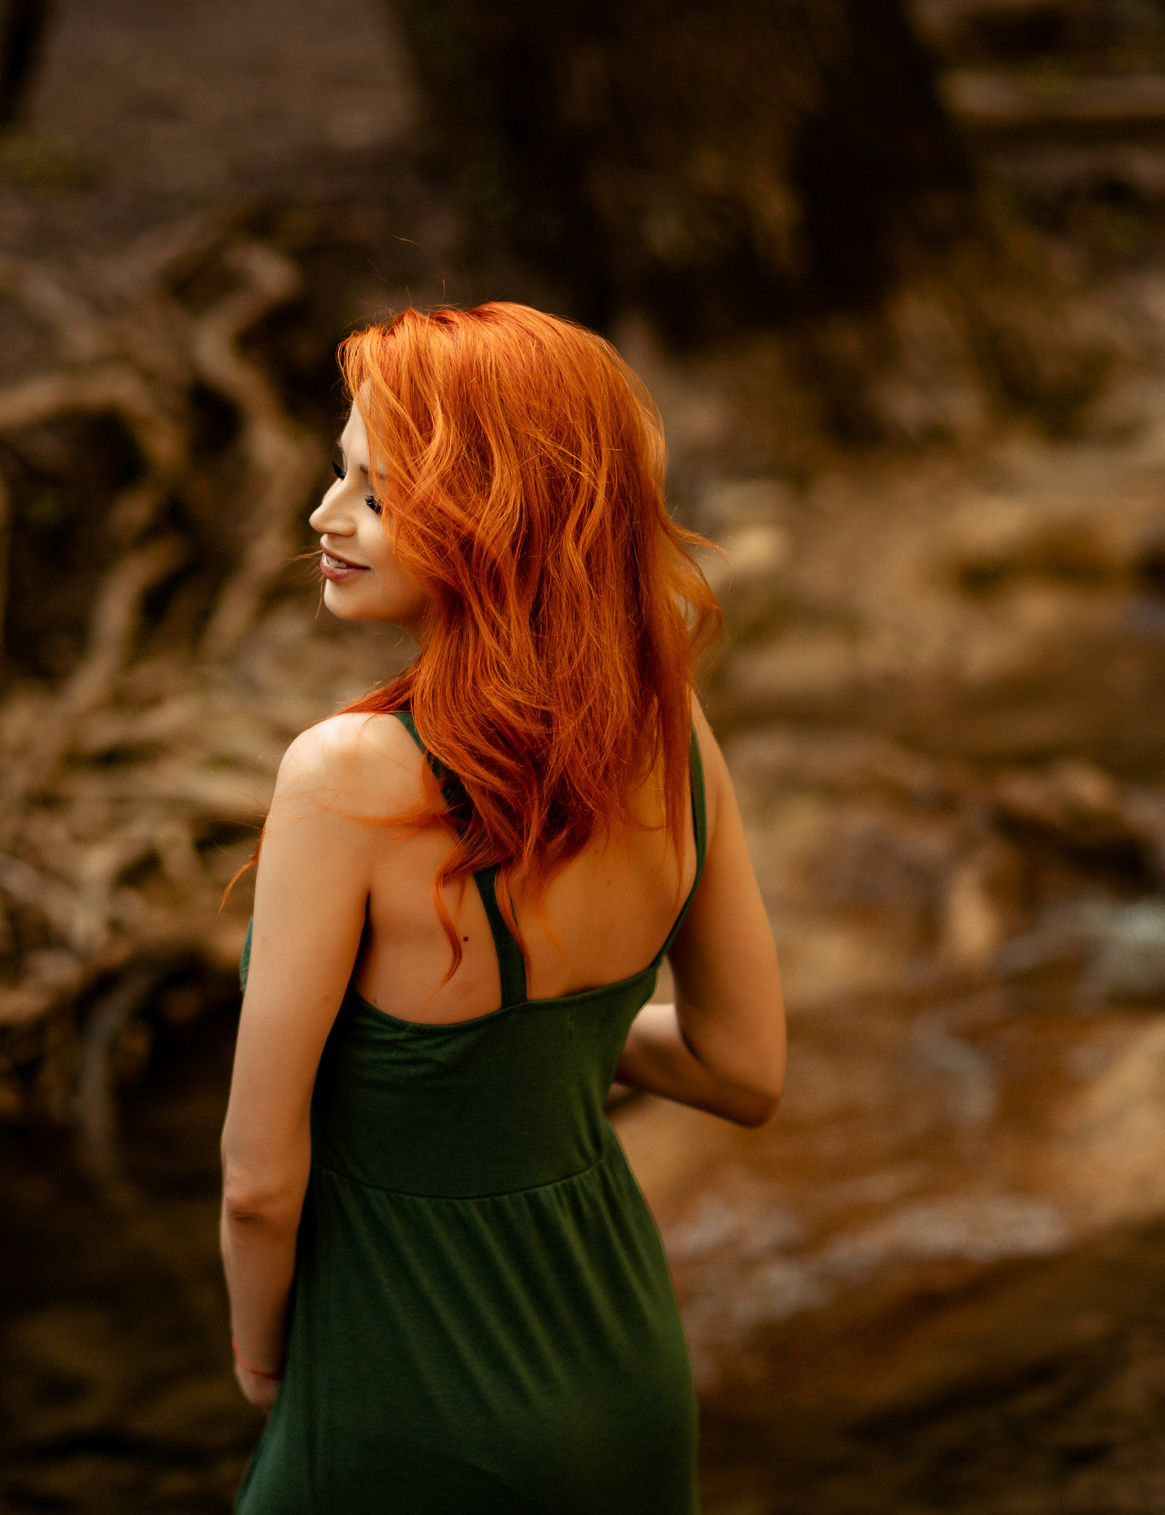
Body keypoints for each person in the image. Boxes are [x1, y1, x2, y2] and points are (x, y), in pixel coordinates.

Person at [221, 302, 787, 1513]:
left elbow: (258, 1183)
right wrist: (528, 1051)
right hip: (623, 1373)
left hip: (406, 1398)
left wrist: (263, 1359)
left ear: (495, 522)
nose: (323, 517)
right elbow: (743, 1070)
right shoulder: (670, 735)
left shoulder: (345, 776)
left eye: (374, 495)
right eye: (339, 474)